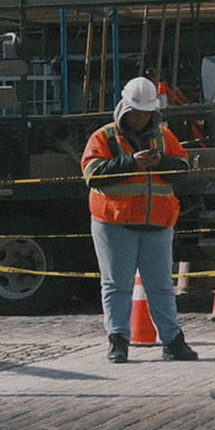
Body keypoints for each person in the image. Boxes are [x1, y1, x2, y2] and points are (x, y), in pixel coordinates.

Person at [82, 76, 197, 363]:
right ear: (124, 108)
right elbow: (92, 174)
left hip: (157, 223)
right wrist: (132, 162)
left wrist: (160, 162)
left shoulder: (163, 136)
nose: (141, 118)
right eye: (136, 112)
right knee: (116, 285)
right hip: (114, 223)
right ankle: (118, 341)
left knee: (160, 286)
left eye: (146, 112)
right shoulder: (104, 137)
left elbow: (182, 167)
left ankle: (172, 341)